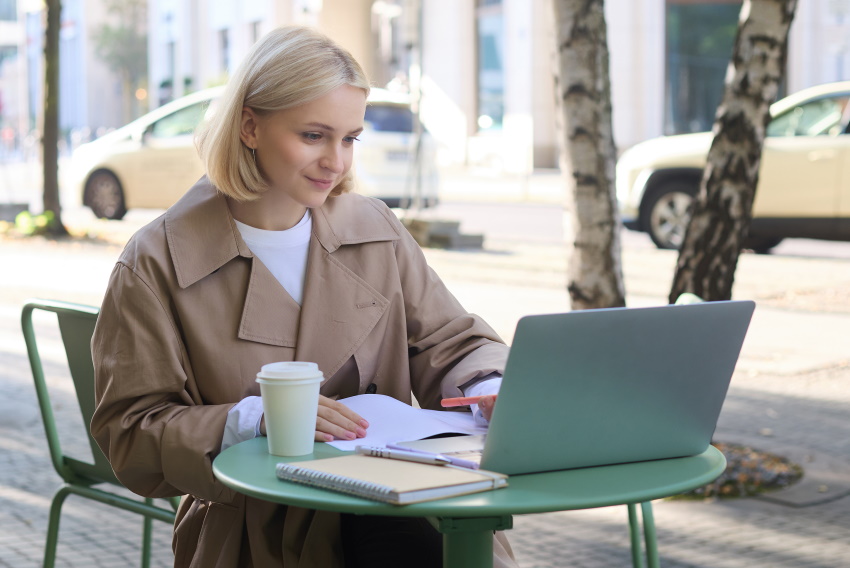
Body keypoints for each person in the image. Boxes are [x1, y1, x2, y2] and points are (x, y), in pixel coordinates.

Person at [90, 25, 515, 568]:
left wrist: (489, 387)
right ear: (249, 127)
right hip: (255, 533)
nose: (337, 162)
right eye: (314, 136)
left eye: (350, 138)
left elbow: (451, 342)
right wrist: (254, 420)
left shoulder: (375, 228)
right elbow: (130, 435)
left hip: (404, 502)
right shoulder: (158, 260)